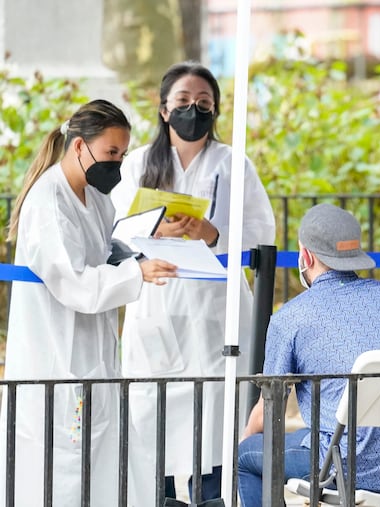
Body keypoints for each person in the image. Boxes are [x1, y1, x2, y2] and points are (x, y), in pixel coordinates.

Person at [110, 62, 276, 503]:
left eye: (203, 104)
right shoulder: (139, 163)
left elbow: (263, 232)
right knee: (154, 418)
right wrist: (153, 229)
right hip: (157, 305)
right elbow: (114, 231)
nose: (193, 111)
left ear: (216, 110)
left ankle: (213, 496)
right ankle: (159, 495)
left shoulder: (232, 163)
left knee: (215, 421)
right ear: (164, 109)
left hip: (213, 310)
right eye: (183, 102)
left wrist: (212, 233)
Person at [0, 100, 177, 506]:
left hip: (92, 358)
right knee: (60, 470)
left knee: (100, 463)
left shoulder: (94, 196)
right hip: (57, 358)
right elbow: (73, 281)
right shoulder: (49, 202)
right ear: (80, 147)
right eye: (111, 153)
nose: (116, 163)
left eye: (122, 154)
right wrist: (137, 273)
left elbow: (103, 248)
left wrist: (140, 249)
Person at [237, 203, 380, 507]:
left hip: (345, 466)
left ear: (305, 256)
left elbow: (270, 411)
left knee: (245, 458)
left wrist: (245, 441)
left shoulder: (291, 316)